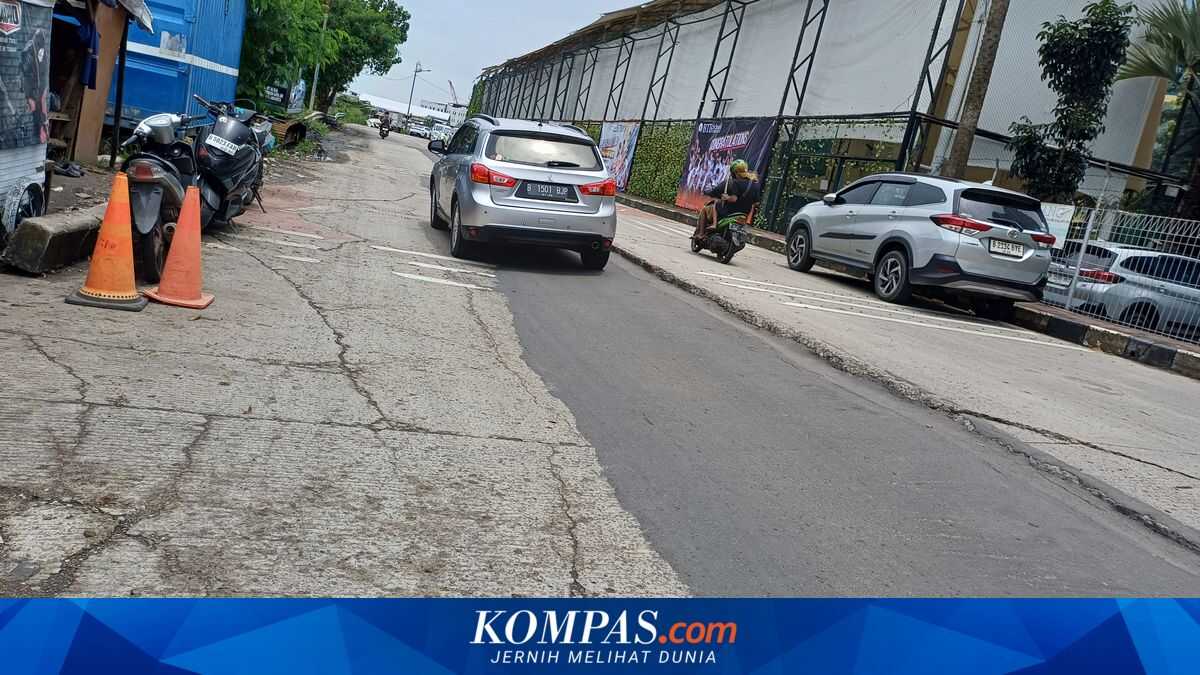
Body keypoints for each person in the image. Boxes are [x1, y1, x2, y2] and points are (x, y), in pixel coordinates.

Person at [693, 159, 761, 241]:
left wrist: (726, 197)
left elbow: (734, 199)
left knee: (715, 203)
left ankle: (706, 230)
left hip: (729, 212)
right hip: (744, 214)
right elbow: (756, 203)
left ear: (735, 172)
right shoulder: (754, 185)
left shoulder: (736, 182)